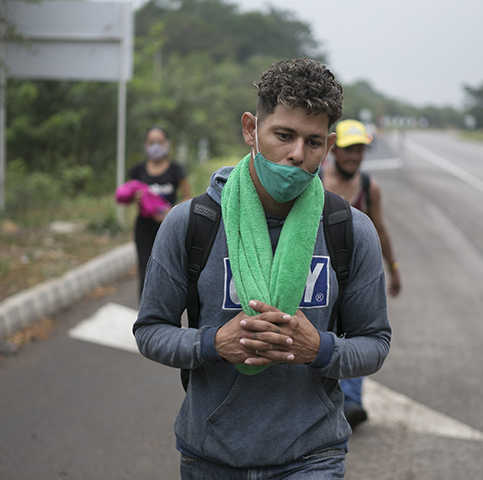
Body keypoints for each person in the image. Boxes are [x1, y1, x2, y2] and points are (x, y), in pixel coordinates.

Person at [133, 58, 391, 479]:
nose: (296, 155)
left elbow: (375, 343)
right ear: (251, 129)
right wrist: (214, 344)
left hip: (313, 455)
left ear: (327, 146)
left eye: (312, 143)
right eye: (284, 135)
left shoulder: (349, 230)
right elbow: (149, 331)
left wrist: (320, 349)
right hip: (210, 454)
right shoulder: (192, 223)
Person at [321, 119, 401, 430]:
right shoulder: (315, 180)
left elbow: (379, 228)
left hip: (356, 275)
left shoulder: (369, 187)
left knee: (358, 332)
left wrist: (393, 267)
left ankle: (352, 402)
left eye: (360, 150)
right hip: (320, 273)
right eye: (349, 149)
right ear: (334, 149)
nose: (355, 156)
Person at [118, 125, 192, 300]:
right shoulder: (138, 170)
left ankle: (168, 314)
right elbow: (126, 196)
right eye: (151, 142)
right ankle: (144, 315)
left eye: (159, 142)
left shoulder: (176, 170)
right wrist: (134, 198)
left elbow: (188, 196)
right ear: (145, 145)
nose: (155, 146)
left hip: (169, 228)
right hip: (144, 228)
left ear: (167, 144)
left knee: (169, 271)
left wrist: (170, 212)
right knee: (145, 270)